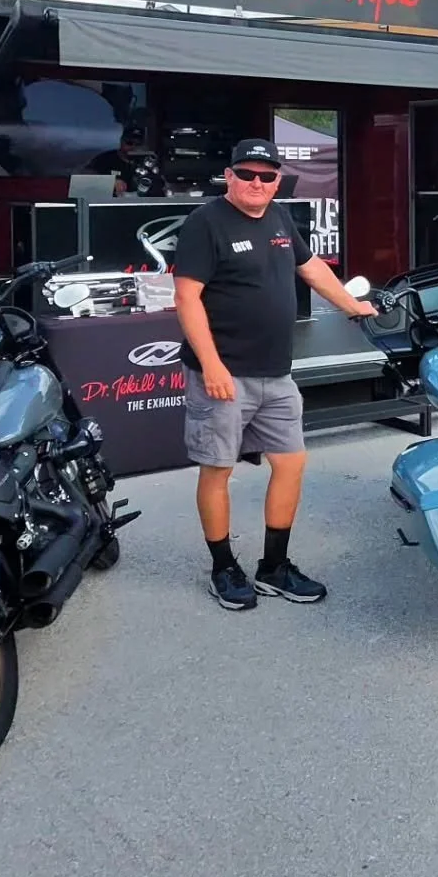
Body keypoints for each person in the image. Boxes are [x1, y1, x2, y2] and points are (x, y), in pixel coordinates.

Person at [173, 138, 376, 610]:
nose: (257, 184)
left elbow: (311, 268)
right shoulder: (206, 224)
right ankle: (224, 568)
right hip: (223, 374)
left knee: (291, 463)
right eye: (247, 174)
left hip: (276, 374)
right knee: (218, 470)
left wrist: (351, 304)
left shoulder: (281, 218)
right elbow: (187, 299)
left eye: (267, 177)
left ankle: (274, 567)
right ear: (229, 176)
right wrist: (212, 365)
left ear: (277, 181)